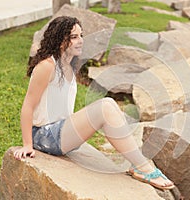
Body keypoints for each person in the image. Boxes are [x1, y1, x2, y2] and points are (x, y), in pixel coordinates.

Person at [13, 16, 174, 190]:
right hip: (45, 136)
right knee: (105, 106)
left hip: (60, 130)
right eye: (74, 37)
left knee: (110, 104)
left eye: (81, 35)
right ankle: (143, 167)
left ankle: (138, 163)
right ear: (60, 40)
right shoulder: (47, 66)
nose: (80, 41)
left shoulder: (68, 64)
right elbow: (27, 106)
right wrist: (28, 145)